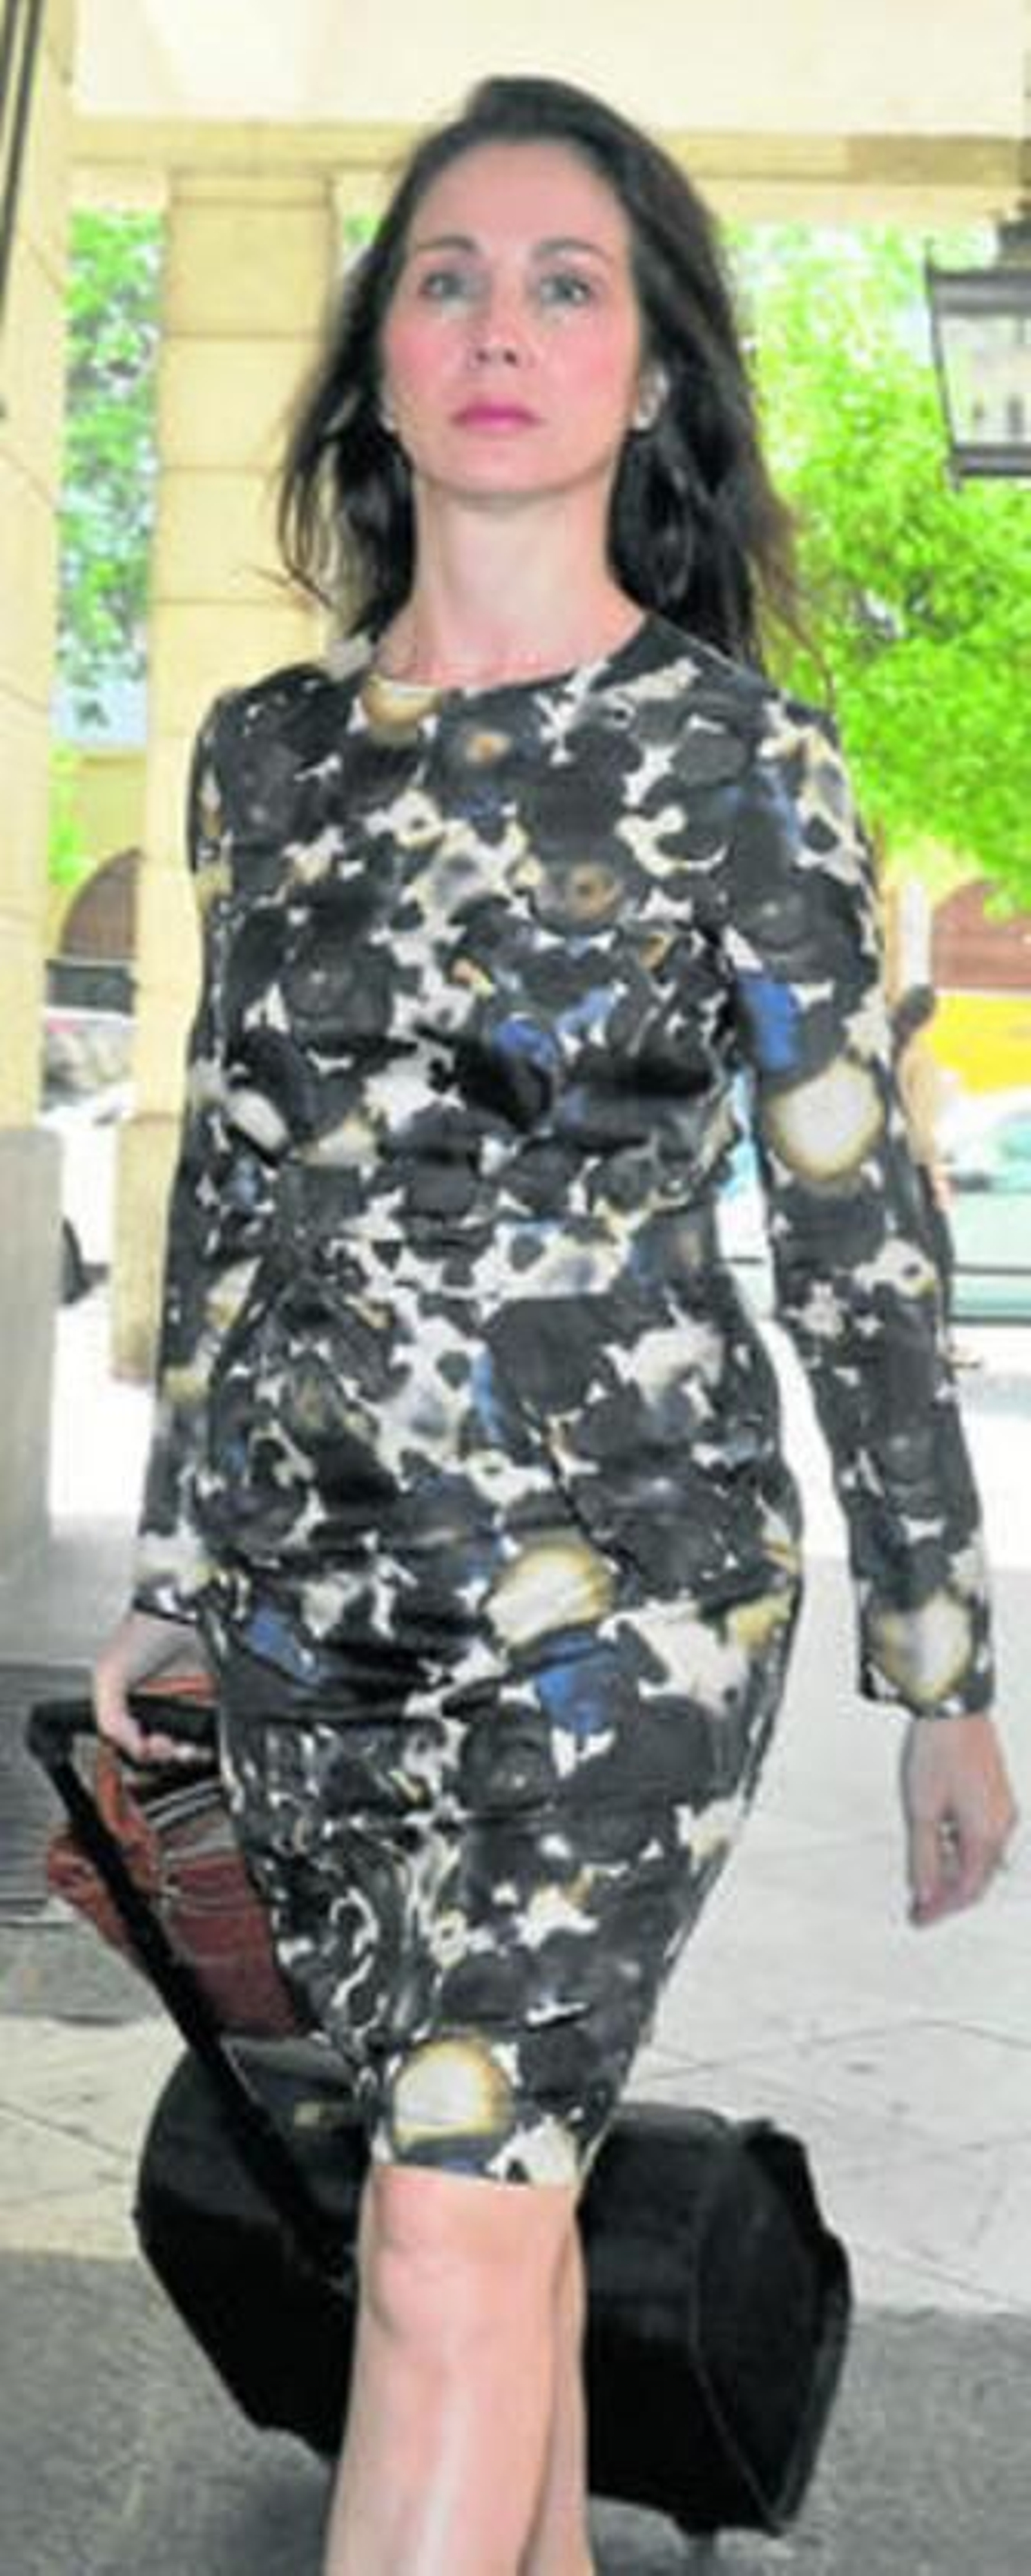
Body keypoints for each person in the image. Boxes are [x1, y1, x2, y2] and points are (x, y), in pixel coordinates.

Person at [93, 73, 1017, 2576]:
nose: (502, 327)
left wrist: (939, 1667)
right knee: (474, 2222)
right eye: (450, 277)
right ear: (382, 365)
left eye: (567, 282)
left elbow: (856, 1231)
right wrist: (177, 1571)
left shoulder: (742, 769)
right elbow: (236, 1184)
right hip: (316, 1618)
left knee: (444, 2220)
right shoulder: (266, 760)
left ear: (653, 375)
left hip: (623, 1613)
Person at [891, 981, 962, 1345]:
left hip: (892, 1168)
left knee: (908, 1256)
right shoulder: (920, 1057)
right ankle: (940, 1339)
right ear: (931, 1017)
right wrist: (936, 1175)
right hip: (915, 1168)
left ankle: (917, 1339)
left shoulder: (891, 1052)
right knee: (941, 1257)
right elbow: (919, 1129)